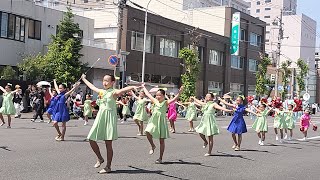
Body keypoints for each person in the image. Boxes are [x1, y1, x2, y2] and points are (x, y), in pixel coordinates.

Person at [81, 74, 139, 174]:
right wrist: (83, 79)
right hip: (100, 118)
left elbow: (123, 90)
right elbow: (92, 87)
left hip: (109, 118)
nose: (105, 82)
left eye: (107, 81)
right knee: (91, 138)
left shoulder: (114, 92)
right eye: (104, 80)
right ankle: (100, 158)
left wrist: (133, 87)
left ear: (112, 82)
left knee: (108, 143)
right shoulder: (102, 92)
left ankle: (108, 166)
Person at [143, 85, 183, 164]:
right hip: (153, 121)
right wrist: (143, 86)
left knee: (161, 141)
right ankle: (152, 146)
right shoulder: (155, 101)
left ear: (163, 96)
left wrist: (180, 92)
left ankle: (160, 158)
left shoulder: (166, 102)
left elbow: (175, 98)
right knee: (147, 132)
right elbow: (148, 94)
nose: (158, 96)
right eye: (157, 95)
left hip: (161, 122)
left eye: (159, 95)